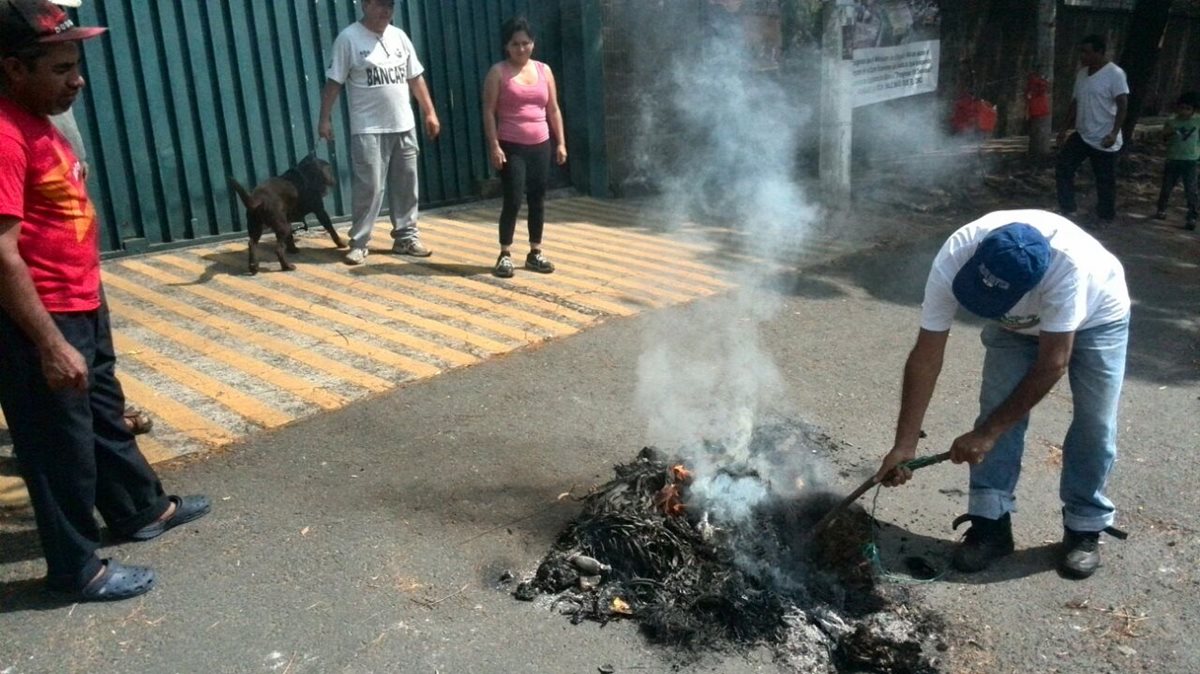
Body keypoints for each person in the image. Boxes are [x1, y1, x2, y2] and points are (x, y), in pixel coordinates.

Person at [0, 0, 209, 602]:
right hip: (43, 317)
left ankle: (138, 510)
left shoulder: (38, 121)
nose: (78, 79)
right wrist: (48, 342)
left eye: (77, 64)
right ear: (14, 69)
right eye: (62, 68)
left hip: (80, 301)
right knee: (56, 446)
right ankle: (75, 568)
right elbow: (1, 253)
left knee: (103, 418)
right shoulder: (6, 135)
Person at [874, 210, 1130, 580]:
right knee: (995, 408)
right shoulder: (956, 253)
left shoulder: (1066, 269)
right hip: (1014, 329)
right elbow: (926, 355)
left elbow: (1052, 363)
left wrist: (988, 433)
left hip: (1098, 317)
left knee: (1095, 421)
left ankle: (1084, 525)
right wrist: (905, 443)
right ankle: (990, 525)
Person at [317, 0, 441, 266]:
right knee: (370, 188)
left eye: (390, 5)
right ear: (365, 4)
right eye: (380, 4)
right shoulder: (348, 39)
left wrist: (429, 112)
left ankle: (406, 237)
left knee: (407, 184)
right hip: (368, 128)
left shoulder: (400, 37)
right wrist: (324, 118)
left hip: (403, 125)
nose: (386, 11)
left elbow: (415, 77)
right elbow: (334, 82)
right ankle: (360, 242)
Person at [481, 17, 566, 278]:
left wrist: (561, 142)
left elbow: (552, 109)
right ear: (507, 46)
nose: (521, 49)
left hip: (540, 144)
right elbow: (488, 111)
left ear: (533, 44)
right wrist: (495, 146)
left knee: (538, 199)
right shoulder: (498, 72)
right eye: (515, 44)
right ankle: (505, 253)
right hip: (512, 146)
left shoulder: (544, 70)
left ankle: (535, 252)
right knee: (514, 199)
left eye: (526, 43)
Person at [1055, 35, 1129, 228]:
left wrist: (1114, 133)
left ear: (1100, 52)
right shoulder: (1082, 74)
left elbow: (1122, 105)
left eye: (1087, 51)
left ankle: (1105, 216)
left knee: (1104, 180)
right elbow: (1075, 103)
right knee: (1064, 167)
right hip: (1082, 133)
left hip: (1104, 137)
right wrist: (1063, 129)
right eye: (1081, 51)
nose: (1082, 56)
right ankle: (1068, 209)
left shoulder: (1115, 74)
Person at [1153, 91, 1199, 231]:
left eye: (1188, 109)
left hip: (1190, 160)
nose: (1184, 111)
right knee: (1167, 187)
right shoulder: (1172, 121)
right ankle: (1161, 209)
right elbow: (1163, 137)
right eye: (1182, 107)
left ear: (1193, 109)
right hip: (1173, 158)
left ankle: (1192, 216)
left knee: (1190, 190)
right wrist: (1170, 133)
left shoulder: (1197, 121)